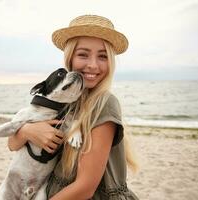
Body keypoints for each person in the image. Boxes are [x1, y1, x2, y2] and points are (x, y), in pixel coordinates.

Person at [8, 14, 139, 200]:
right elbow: (12, 144)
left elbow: (85, 187)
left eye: (102, 56)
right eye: (83, 55)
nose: (93, 65)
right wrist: (28, 131)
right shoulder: (65, 102)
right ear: (70, 58)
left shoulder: (105, 103)